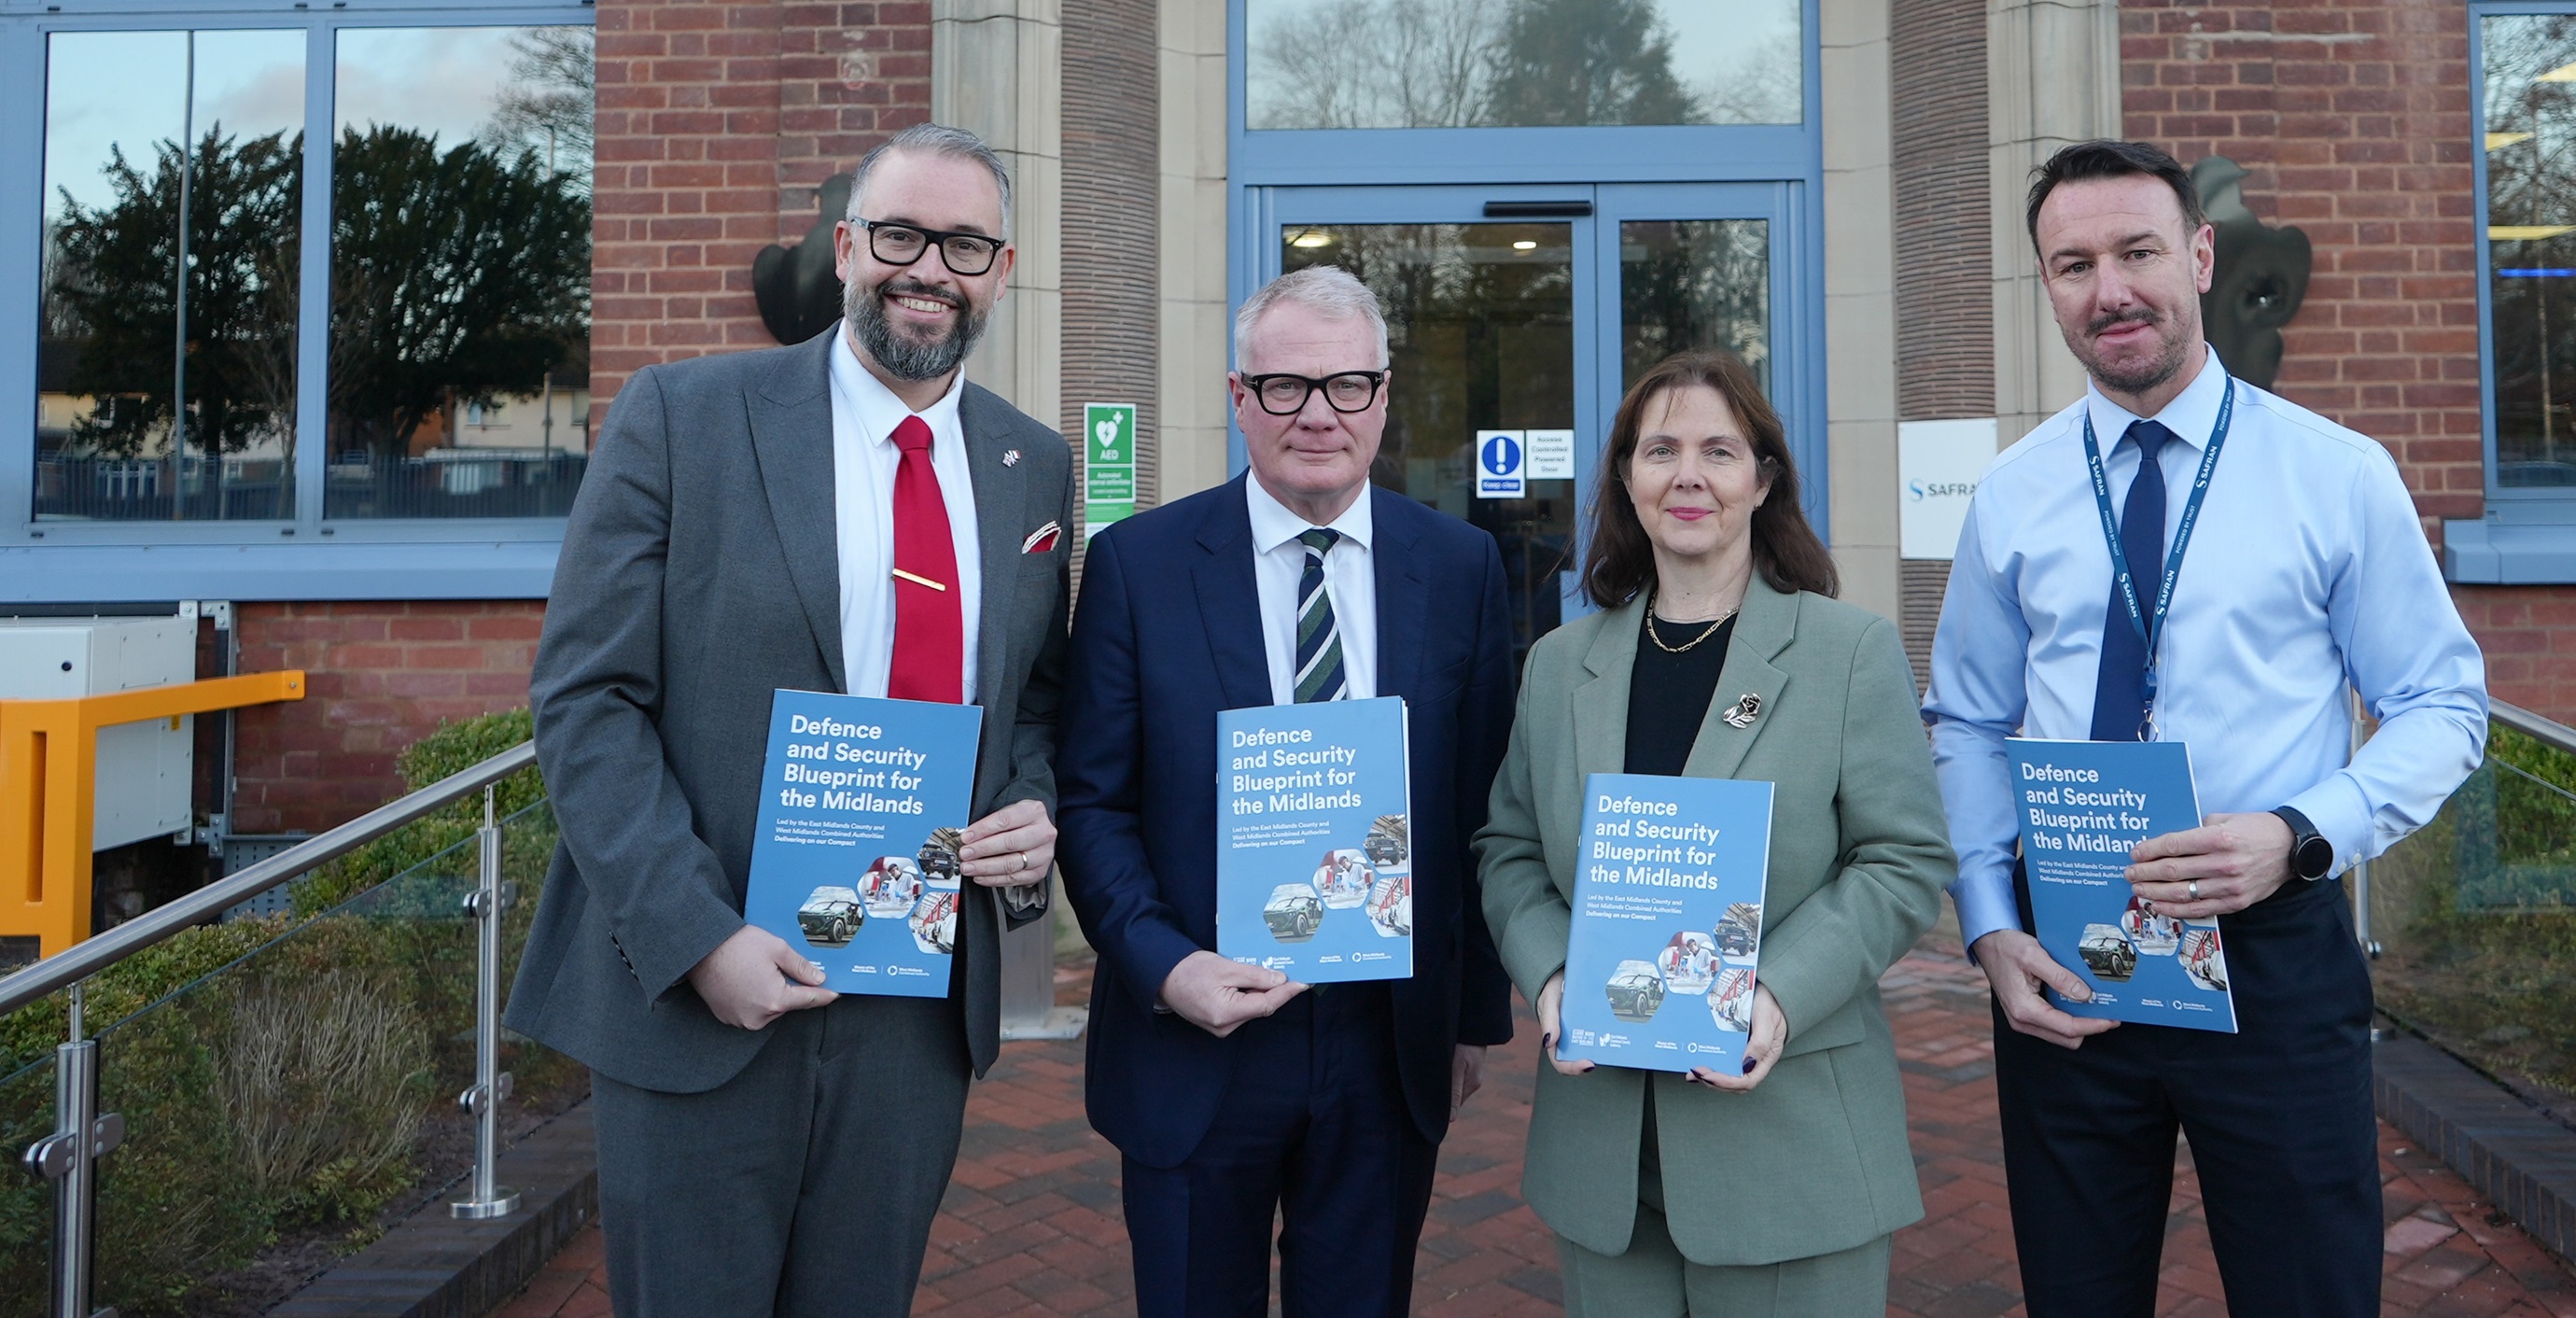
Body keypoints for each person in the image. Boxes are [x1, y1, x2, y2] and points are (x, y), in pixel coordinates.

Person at [507, 123, 1074, 1318]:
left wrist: (1034, 801)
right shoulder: (684, 415)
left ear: (1003, 267)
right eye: (902, 235)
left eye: (964, 243)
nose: (931, 268)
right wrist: (695, 934)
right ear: (847, 246)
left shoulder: (1033, 463)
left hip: (915, 1006)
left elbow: (1032, 701)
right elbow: (585, 697)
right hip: (705, 987)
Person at [1925, 140, 2488, 1318]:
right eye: (2072, 264)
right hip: (2069, 954)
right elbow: (1969, 717)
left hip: (2271, 952)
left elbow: (2443, 703)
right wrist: (1986, 922)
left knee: (2307, 1290)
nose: (2109, 289)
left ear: (2200, 254)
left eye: (2136, 251)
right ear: (2047, 286)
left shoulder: (2333, 474)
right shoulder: (2014, 492)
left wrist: (2298, 830)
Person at [1057, 264, 1518, 1318]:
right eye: (1285, 387)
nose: (1318, 413)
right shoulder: (1139, 564)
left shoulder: (1459, 568)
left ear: (1384, 394)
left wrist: (1468, 1019)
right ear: (1238, 397)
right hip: (1196, 1037)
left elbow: (1483, 803)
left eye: (1347, 384)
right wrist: (1166, 968)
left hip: (1382, 1042)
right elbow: (1092, 800)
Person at [1477, 350, 1956, 1317]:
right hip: (1605, 1153)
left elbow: (1904, 860)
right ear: (1625, 475)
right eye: (1660, 449)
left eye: (1719, 450)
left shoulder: (1846, 650)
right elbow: (1510, 848)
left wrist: (1775, 990)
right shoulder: (1562, 663)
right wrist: (1552, 974)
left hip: (1787, 1145)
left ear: (1762, 478)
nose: (1687, 474)